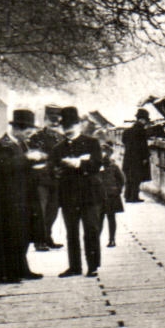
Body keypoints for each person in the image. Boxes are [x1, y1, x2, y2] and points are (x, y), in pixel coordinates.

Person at [0, 109, 44, 284]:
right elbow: (6, 166)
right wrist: (28, 159)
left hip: (23, 197)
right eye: (27, 131)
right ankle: (6, 274)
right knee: (7, 235)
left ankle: (21, 269)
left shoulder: (22, 144)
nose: (29, 135)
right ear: (17, 128)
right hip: (6, 199)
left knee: (22, 233)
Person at [50, 106, 104, 277]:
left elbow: (97, 164)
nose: (68, 129)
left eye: (72, 125)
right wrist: (59, 169)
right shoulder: (57, 148)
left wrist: (79, 163)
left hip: (89, 194)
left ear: (79, 124)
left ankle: (93, 266)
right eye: (65, 125)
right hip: (69, 195)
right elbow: (53, 169)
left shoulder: (92, 143)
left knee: (91, 230)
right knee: (71, 232)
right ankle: (75, 267)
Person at [28, 105, 64, 252]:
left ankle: (47, 237)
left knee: (53, 211)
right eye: (51, 120)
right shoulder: (36, 138)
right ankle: (39, 240)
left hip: (57, 179)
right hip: (41, 180)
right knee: (40, 211)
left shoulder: (61, 138)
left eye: (57, 120)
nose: (54, 123)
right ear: (45, 119)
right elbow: (34, 158)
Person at [122, 107, 153, 202]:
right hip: (138, 159)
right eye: (145, 121)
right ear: (142, 120)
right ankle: (134, 197)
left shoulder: (127, 131)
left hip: (128, 158)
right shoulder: (141, 131)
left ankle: (127, 196)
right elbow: (143, 146)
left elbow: (123, 141)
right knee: (136, 178)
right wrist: (145, 157)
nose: (145, 123)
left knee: (129, 178)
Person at [99, 136, 125, 248]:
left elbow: (121, 179)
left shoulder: (113, 166)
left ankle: (112, 239)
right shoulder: (95, 167)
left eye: (105, 153)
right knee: (98, 219)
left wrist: (117, 190)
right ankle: (96, 240)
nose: (103, 155)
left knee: (111, 218)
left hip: (111, 195)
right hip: (99, 195)